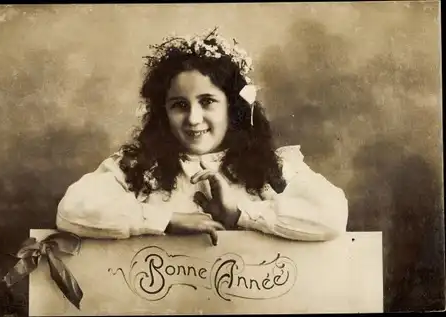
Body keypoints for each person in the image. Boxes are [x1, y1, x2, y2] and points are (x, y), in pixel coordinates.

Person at [56, 28, 348, 245]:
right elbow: (71, 211)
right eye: (179, 105)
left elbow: (331, 215)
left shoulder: (273, 167)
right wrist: (165, 221)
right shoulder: (138, 166)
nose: (194, 119)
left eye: (207, 102)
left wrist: (240, 214)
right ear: (163, 112)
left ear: (232, 107)